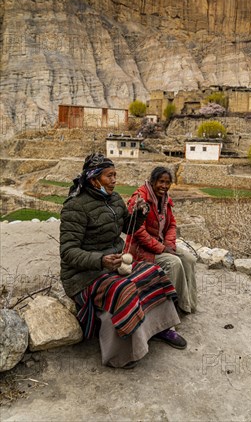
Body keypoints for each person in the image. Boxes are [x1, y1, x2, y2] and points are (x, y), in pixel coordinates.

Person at [60, 153, 187, 369]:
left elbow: (127, 225)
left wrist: (139, 214)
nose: (114, 180)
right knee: (125, 289)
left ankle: (160, 328)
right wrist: (101, 260)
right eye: (109, 176)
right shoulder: (75, 207)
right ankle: (121, 353)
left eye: (115, 175)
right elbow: (68, 251)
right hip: (84, 275)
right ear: (94, 179)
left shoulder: (115, 199)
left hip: (114, 264)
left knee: (154, 273)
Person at [125, 167, 197, 314]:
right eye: (161, 181)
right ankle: (168, 312)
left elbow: (171, 224)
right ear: (152, 182)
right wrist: (163, 249)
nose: (164, 186)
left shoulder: (165, 200)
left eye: (167, 182)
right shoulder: (139, 199)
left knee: (189, 259)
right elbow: (138, 231)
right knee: (174, 262)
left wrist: (169, 244)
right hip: (140, 249)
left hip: (161, 245)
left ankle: (186, 304)